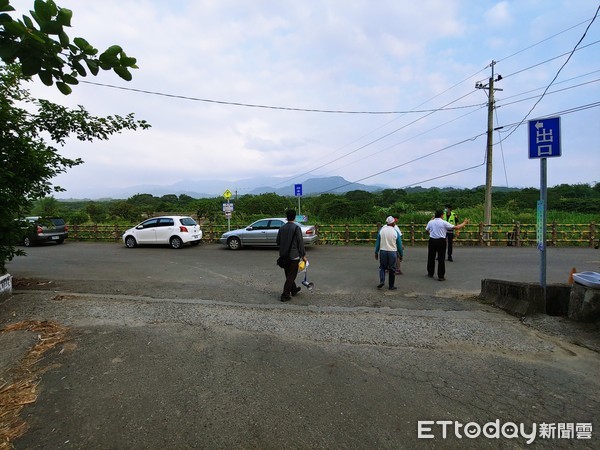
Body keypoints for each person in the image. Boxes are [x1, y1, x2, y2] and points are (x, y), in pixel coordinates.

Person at [425, 210, 469, 281]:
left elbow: (426, 230)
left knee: (431, 257)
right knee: (441, 258)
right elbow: (456, 227)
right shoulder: (444, 222)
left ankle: (430, 272)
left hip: (432, 240)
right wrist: (464, 222)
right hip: (441, 241)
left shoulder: (431, 222)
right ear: (442, 215)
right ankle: (441, 276)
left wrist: (431, 232)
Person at [276, 209, 307, 302]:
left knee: (288, 274)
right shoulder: (297, 228)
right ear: (294, 217)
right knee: (291, 276)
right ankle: (285, 295)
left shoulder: (281, 228)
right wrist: (303, 255)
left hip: (284, 256)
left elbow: (277, 242)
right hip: (294, 256)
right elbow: (300, 243)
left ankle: (293, 290)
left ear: (286, 217)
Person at [374, 216, 403, 290]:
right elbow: (399, 245)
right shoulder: (395, 232)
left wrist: (376, 252)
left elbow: (378, 243)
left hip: (383, 251)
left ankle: (382, 281)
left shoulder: (381, 231)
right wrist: (401, 255)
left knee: (382, 267)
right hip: (392, 252)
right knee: (392, 269)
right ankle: (391, 285)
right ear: (393, 223)